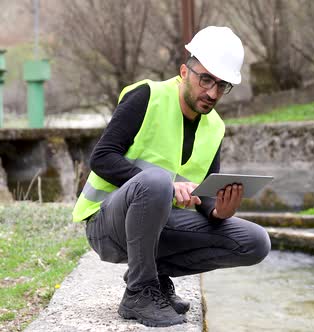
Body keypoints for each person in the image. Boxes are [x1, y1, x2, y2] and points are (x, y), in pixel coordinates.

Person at [72, 26, 271, 327]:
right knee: (155, 181)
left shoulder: (215, 127)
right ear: (184, 71)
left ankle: (155, 277)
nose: (213, 93)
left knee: (255, 242)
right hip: (106, 224)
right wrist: (168, 185)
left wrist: (218, 211)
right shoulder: (147, 96)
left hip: (158, 227)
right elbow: (101, 157)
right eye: (206, 80)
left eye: (222, 85)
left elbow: (204, 193)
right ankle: (139, 292)